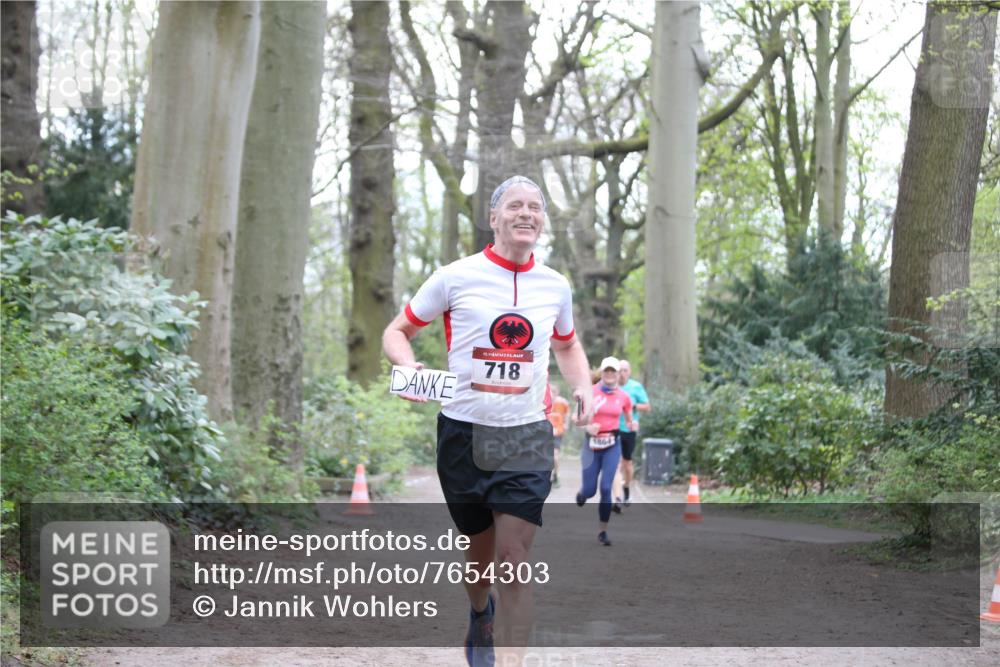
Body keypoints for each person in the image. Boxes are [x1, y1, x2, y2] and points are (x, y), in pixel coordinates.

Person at [382, 175, 592, 667]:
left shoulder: (554, 285)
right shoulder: (455, 276)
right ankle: (480, 612)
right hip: (463, 433)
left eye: (535, 207)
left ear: (542, 221)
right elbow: (398, 331)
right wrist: (408, 367)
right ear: (494, 218)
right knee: (479, 557)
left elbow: (567, 344)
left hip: (525, 436)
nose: (526, 213)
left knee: (514, 559)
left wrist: (581, 384)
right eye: (515, 206)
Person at [575, 356, 634, 546]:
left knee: (607, 488)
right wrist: (587, 427)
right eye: (606, 371)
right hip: (591, 446)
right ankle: (582, 493)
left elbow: (629, 418)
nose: (609, 375)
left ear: (618, 374)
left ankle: (603, 531)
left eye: (613, 371)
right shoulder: (589, 393)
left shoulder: (624, 397)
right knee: (590, 490)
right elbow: (577, 419)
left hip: (612, 445)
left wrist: (633, 424)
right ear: (602, 372)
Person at [614, 359, 651, 508]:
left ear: (629, 372)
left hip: (629, 429)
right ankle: (616, 497)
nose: (622, 373)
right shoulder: (611, 386)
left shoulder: (636, 387)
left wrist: (633, 405)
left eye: (625, 370)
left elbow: (648, 407)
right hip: (613, 428)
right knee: (616, 463)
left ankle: (627, 489)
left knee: (627, 463)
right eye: (619, 370)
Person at [545, 382, 571, 487]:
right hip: (547, 433)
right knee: (546, 456)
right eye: (550, 391)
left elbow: (568, 413)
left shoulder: (562, 402)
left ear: (558, 392)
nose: (552, 393)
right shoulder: (544, 403)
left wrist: (566, 424)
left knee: (555, 456)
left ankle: (557, 475)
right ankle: (549, 477)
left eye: (554, 391)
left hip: (558, 433)